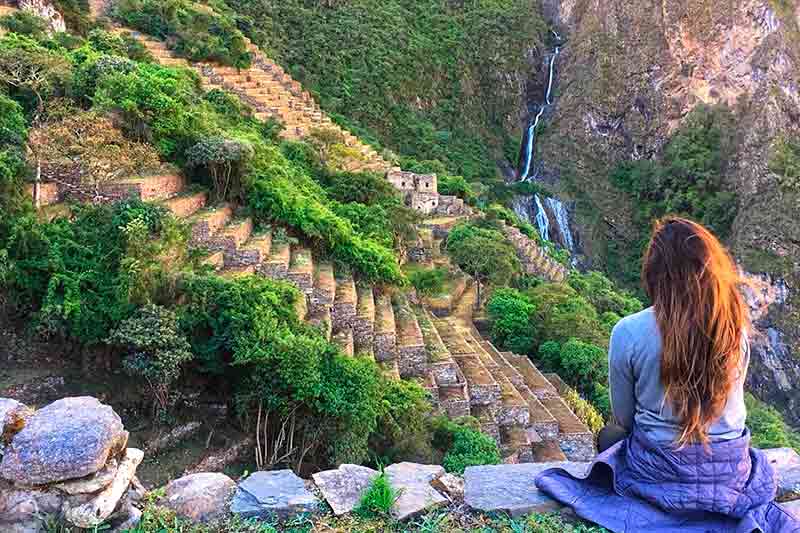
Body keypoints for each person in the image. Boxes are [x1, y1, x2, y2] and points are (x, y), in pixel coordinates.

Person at [535, 217, 800, 533]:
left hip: (657, 474)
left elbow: (624, 419)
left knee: (609, 436)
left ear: (654, 272)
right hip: (730, 472)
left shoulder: (629, 332)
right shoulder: (734, 329)